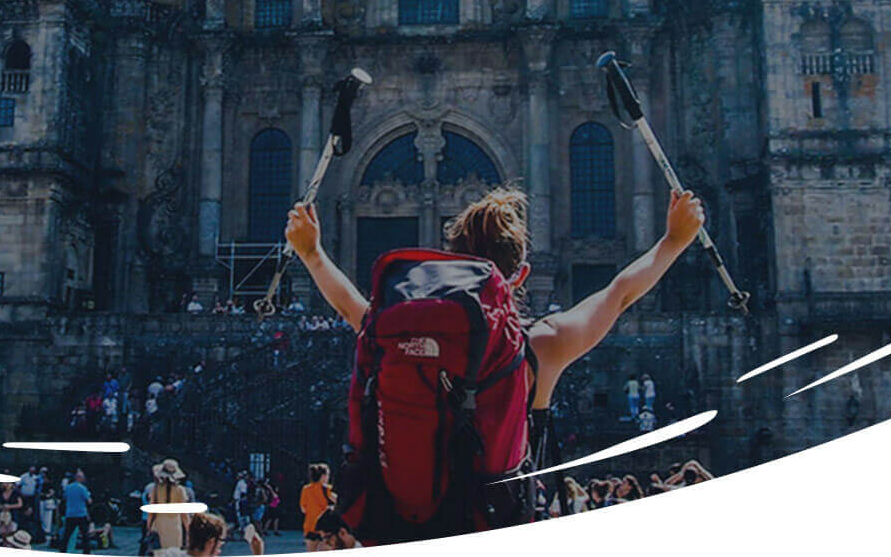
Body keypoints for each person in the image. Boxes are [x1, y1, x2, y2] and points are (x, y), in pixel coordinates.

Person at [285, 187, 707, 540]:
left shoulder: (395, 330)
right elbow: (619, 294)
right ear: (520, 275)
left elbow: (348, 306)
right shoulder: (539, 345)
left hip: (396, 526)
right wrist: (673, 239)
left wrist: (313, 253)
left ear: (449, 259)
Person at [145, 460, 190, 552]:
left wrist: (148, 527)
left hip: (159, 525)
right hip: (175, 526)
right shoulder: (180, 490)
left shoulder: (156, 489)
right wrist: (189, 529)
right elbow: (184, 514)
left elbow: (151, 512)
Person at [55, 469, 93, 553]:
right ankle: (86, 552)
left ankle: (62, 551)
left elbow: (64, 498)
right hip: (81, 514)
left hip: (70, 514)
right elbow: (89, 501)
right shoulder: (83, 488)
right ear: (79, 478)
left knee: (67, 535)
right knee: (85, 536)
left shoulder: (68, 488)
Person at [299, 463, 335, 543]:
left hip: (310, 526)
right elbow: (338, 502)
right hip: (324, 527)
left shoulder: (306, 489)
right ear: (323, 476)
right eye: (327, 475)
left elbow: (303, 509)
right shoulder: (328, 489)